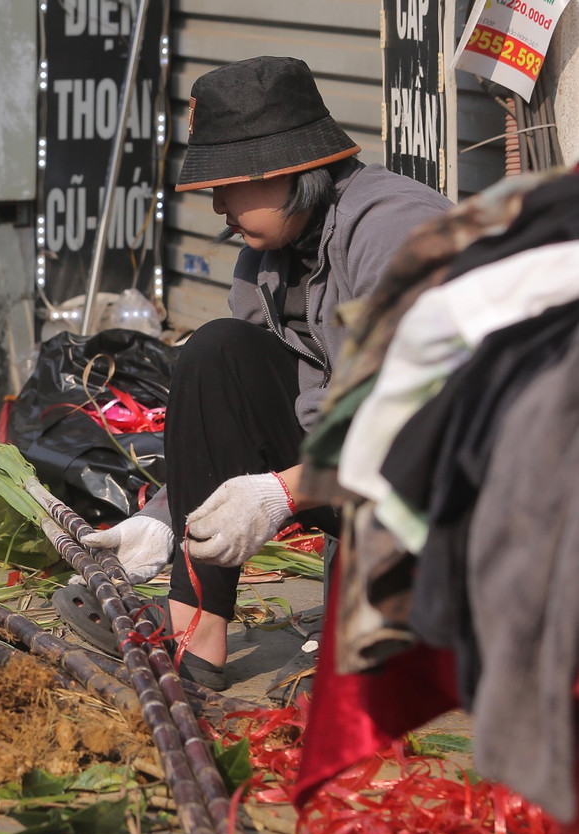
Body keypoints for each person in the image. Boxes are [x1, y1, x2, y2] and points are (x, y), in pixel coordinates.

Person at [83, 56, 452, 692]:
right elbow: (230, 414)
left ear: (286, 171)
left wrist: (284, 490)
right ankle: (196, 629)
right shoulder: (268, 255)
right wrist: (169, 517)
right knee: (215, 352)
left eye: (227, 185)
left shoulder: (397, 231)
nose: (217, 206)